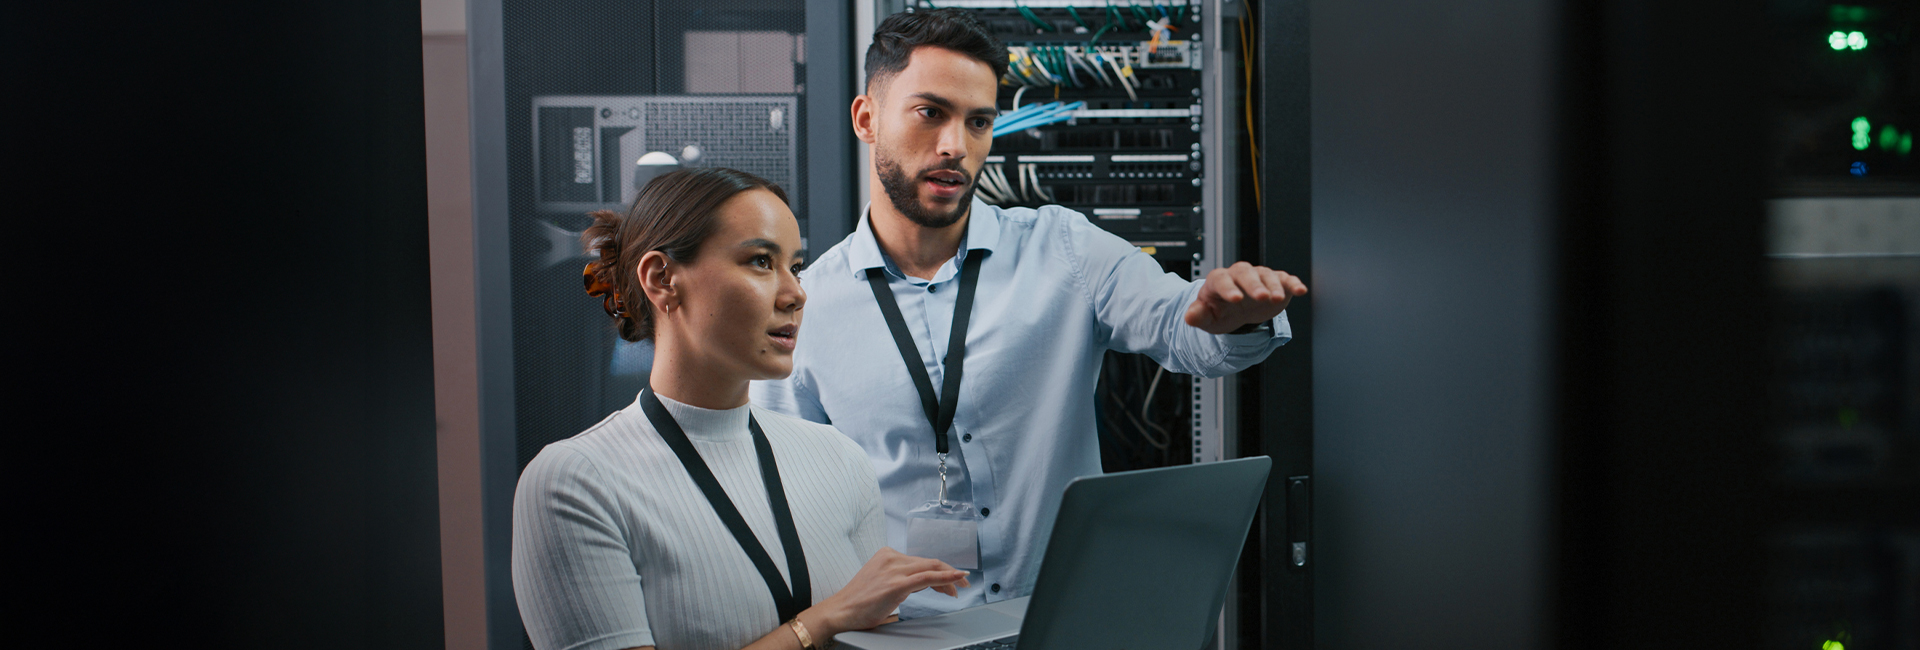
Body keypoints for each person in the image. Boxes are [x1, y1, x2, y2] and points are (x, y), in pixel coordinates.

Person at [751, 9, 1308, 618]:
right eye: (930, 113)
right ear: (866, 119)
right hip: (901, 636)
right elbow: (786, 500)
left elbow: (1184, 327)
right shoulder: (808, 305)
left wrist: (1232, 316)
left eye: (979, 121)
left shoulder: (1064, 249)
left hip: (1060, 620)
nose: (955, 147)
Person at [513, 167, 970, 650]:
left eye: (795, 266)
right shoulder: (574, 482)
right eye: (759, 261)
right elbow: (840, 620)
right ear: (662, 278)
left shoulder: (838, 458)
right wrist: (821, 623)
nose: (796, 293)